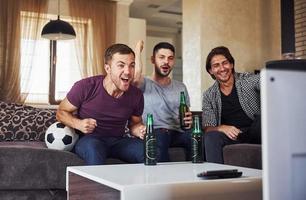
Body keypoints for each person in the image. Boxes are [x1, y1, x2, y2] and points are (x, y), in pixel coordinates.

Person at [56, 43, 146, 165]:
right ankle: (96, 185)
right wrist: (78, 124)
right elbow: (61, 112)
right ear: (108, 68)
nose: (128, 71)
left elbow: (134, 124)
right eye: (121, 65)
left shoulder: (136, 95)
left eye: (132, 66)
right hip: (90, 140)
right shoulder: (85, 86)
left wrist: (139, 130)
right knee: (94, 149)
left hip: (118, 142)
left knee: (148, 151)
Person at [133, 41, 193, 162]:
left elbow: (186, 116)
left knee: (197, 138)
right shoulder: (144, 83)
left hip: (177, 132)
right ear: (153, 60)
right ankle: (164, 178)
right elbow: (135, 76)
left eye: (170, 58)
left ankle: (199, 175)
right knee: (161, 136)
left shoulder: (181, 87)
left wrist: (189, 120)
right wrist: (137, 50)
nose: (166, 61)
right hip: (156, 131)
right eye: (161, 57)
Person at [202, 46, 261, 164]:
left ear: (232, 64)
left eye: (225, 63)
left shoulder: (247, 80)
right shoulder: (209, 95)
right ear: (210, 71)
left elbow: (263, 81)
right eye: (216, 65)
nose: (222, 68)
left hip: (256, 130)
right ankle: (216, 176)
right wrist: (221, 127)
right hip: (233, 136)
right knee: (211, 137)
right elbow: (208, 127)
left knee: (263, 119)